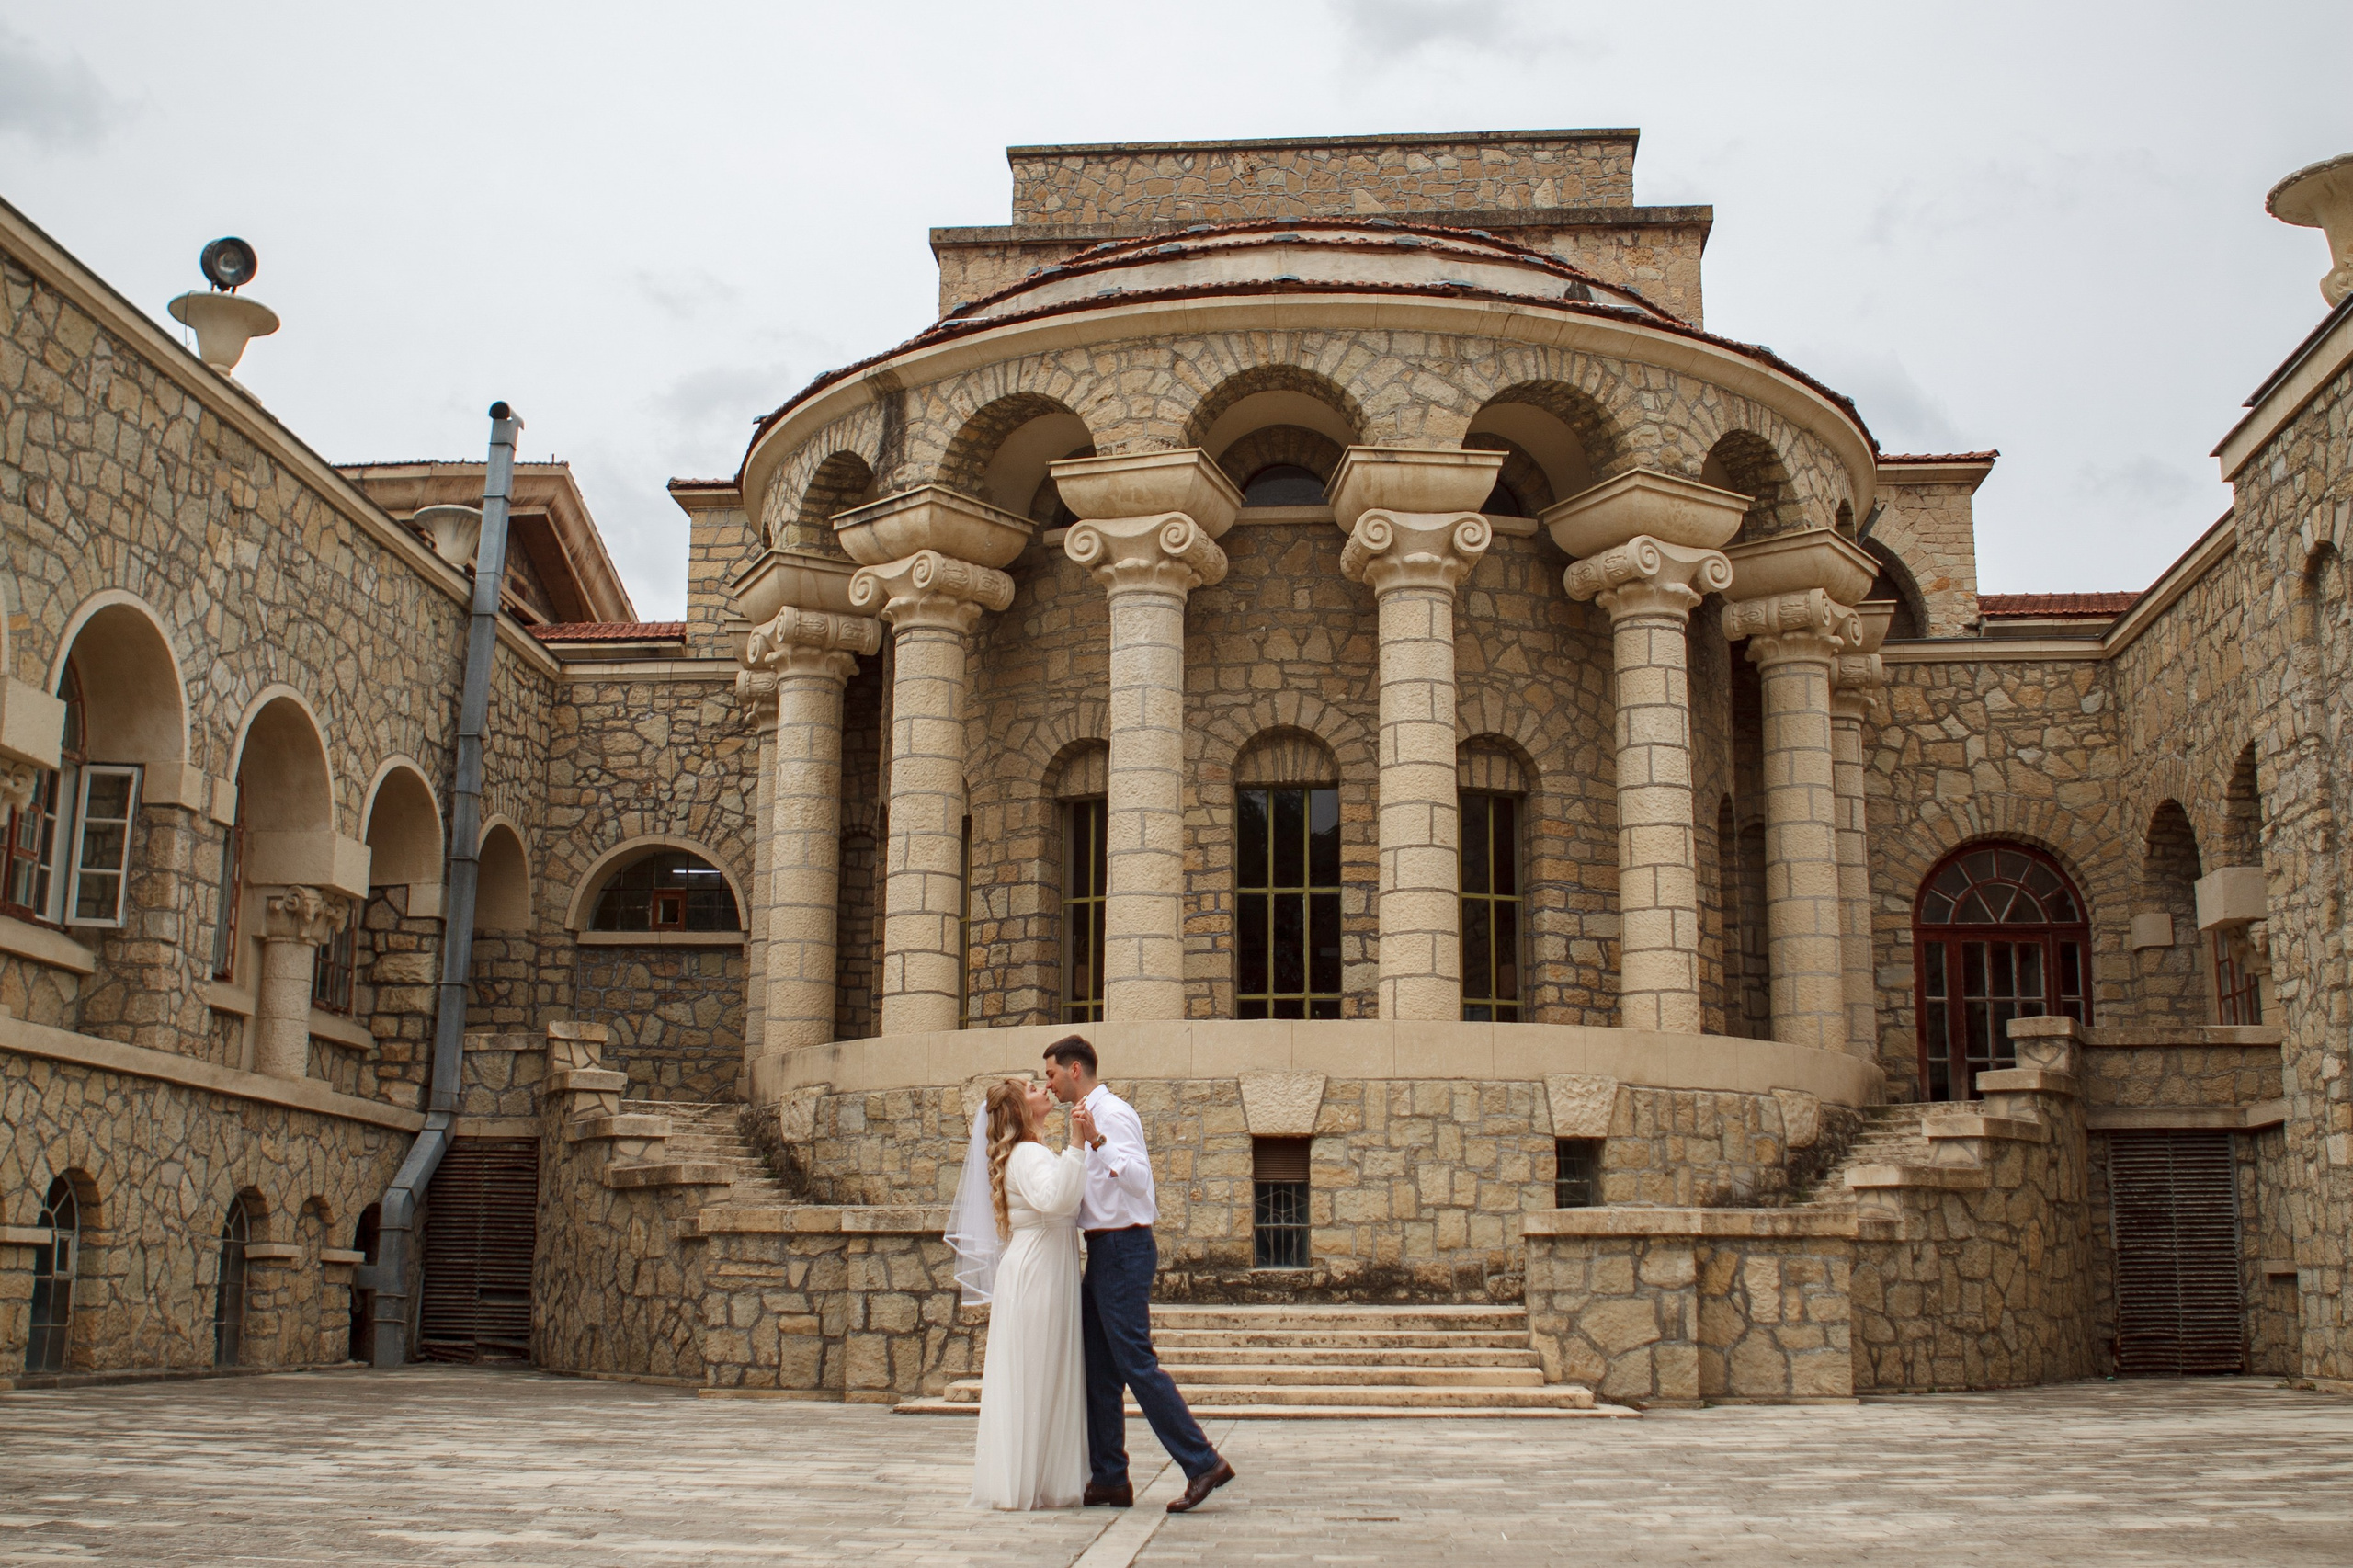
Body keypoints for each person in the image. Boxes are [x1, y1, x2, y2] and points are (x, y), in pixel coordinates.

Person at [1042, 1034, 1238, 1515]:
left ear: (1073, 1070)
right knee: (1098, 1367)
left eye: (1050, 1074)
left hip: (1124, 1249)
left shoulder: (1112, 1115)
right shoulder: (1085, 1116)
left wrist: (1097, 1142)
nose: (1047, 1085)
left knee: (1135, 1363)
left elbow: (1139, 1180)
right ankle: (1110, 1478)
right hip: (1102, 1250)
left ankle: (1202, 1462)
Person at [948, 1076, 1088, 1511]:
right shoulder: (1028, 1154)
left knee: (1042, 1371)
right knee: (1036, 1370)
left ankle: (1037, 1477)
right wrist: (1078, 1143)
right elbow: (1057, 1199)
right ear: (1020, 1111)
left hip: (1044, 1265)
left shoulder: (1029, 1151)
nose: (1042, 1088)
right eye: (1031, 1088)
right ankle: (1029, 1481)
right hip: (1038, 1272)